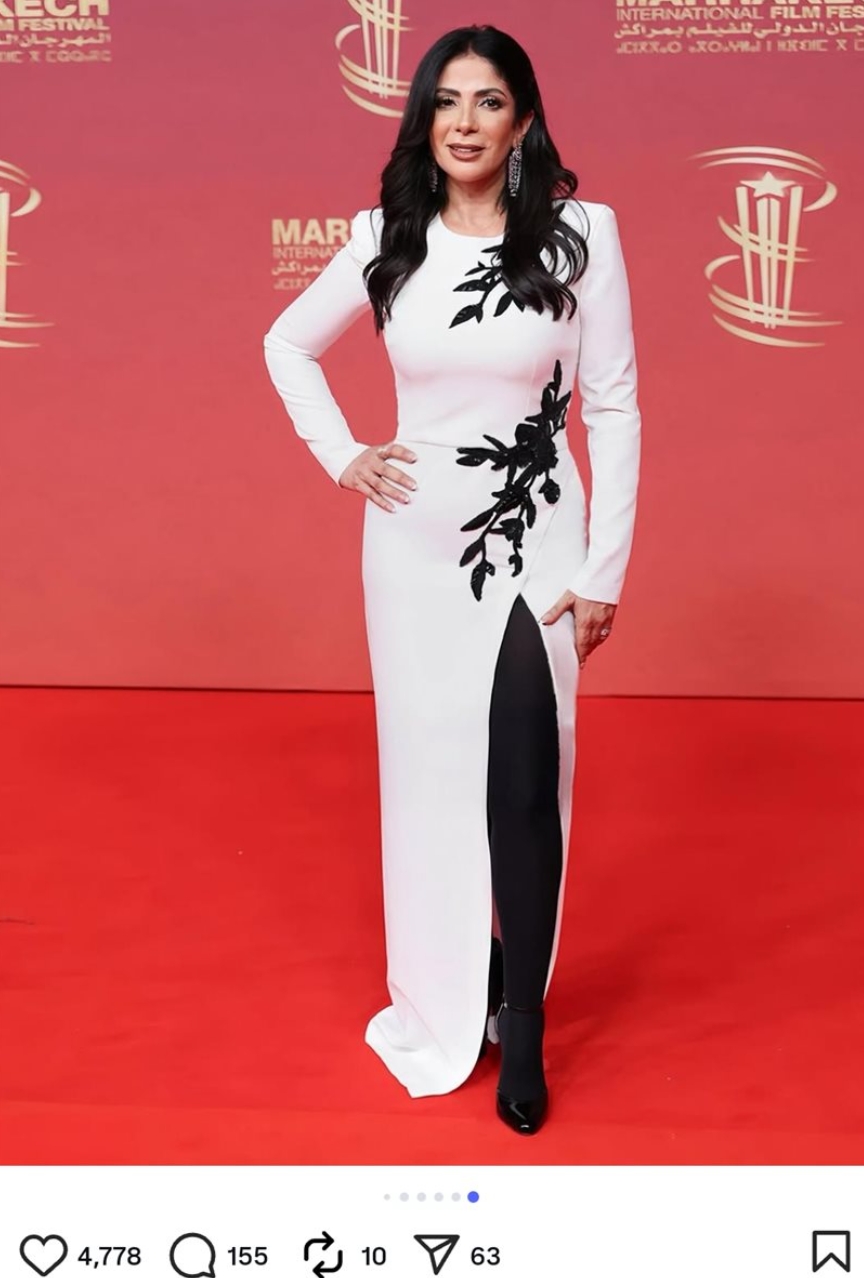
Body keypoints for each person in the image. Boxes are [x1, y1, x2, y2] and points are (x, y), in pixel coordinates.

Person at [264, 26, 640, 1134]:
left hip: (539, 539)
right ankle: (452, 987)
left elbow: (612, 403)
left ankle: (519, 1023)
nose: (465, 121)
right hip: (415, 553)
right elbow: (287, 344)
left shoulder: (581, 236)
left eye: (488, 101)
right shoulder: (386, 236)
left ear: (523, 121)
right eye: (446, 101)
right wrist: (344, 455)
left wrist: (606, 566)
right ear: (423, 118)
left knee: (523, 781)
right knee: (432, 782)